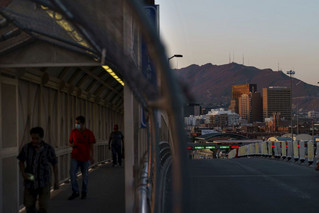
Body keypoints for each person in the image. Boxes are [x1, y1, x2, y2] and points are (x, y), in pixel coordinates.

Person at [17, 127, 59, 213]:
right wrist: (23, 173)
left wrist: (56, 180)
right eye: (33, 138)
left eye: (37, 138)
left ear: (42, 137)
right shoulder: (27, 148)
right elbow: (21, 161)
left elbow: (54, 164)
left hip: (44, 181)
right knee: (29, 206)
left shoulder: (48, 149)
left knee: (43, 207)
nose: (34, 141)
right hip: (30, 180)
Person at [68, 116, 96, 200]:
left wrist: (92, 156)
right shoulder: (73, 132)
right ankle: (75, 191)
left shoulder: (89, 133)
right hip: (75, 156)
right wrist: (72, 145)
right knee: (72, 174)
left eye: (78, 123)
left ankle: (84, 192)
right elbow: (70, 143)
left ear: (83, 123)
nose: (76, 124)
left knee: (85, 175)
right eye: (76, 123)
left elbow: (91, 145)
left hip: (85, 157)